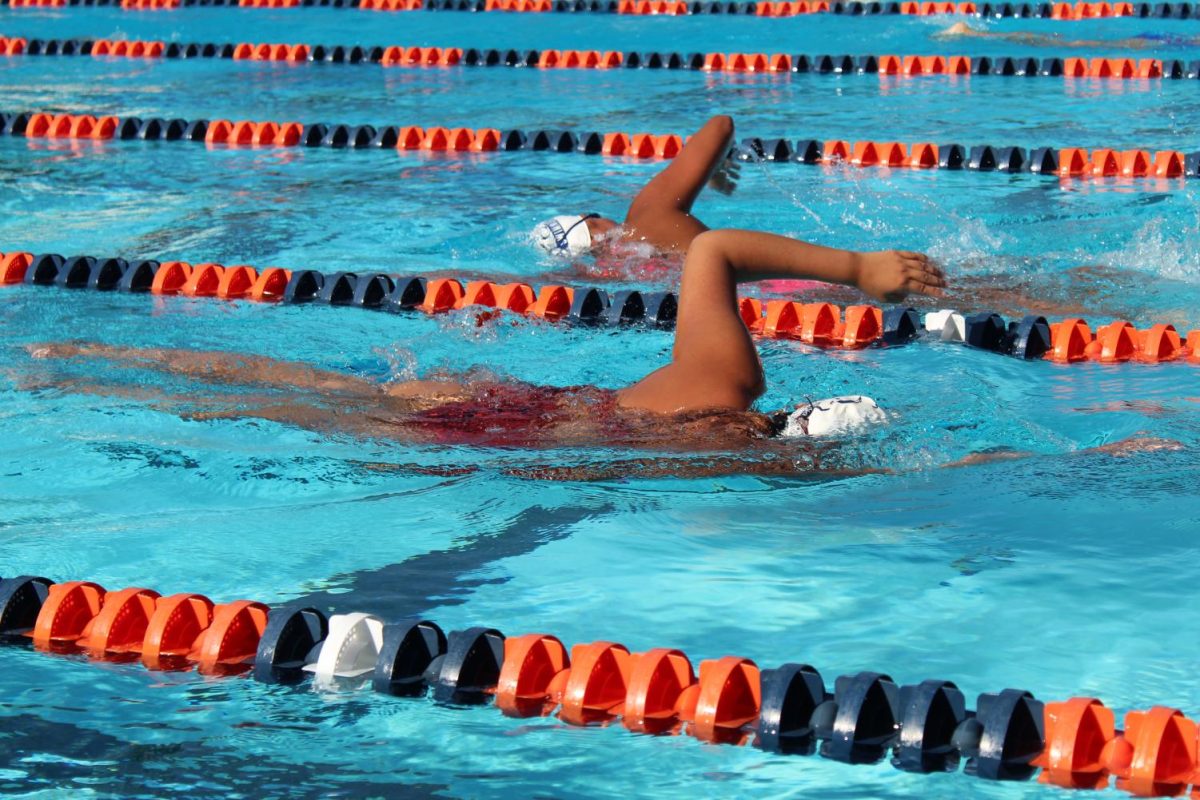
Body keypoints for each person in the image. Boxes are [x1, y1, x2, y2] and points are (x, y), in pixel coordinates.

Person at [28, 231, 945, 457]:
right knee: (273, 405)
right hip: (509, 437)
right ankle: (69, 379)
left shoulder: (724, 374)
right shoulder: (734, 461)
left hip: (520, 401)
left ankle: (62, 356)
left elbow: (708, 247)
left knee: (281, 377)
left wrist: (858, 267)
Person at [531, 114, 741, 260]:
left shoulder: (613, 274)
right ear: (593, 231)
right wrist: (714, 168)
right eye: (592, 215)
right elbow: (721, 125)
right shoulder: (646, 215)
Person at [934, 20, 1197, 49]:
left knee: (1070, 43)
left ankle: (975, 34)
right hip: (1153, 41)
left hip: (1161, 38)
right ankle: (975, 35)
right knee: (1070, 44)